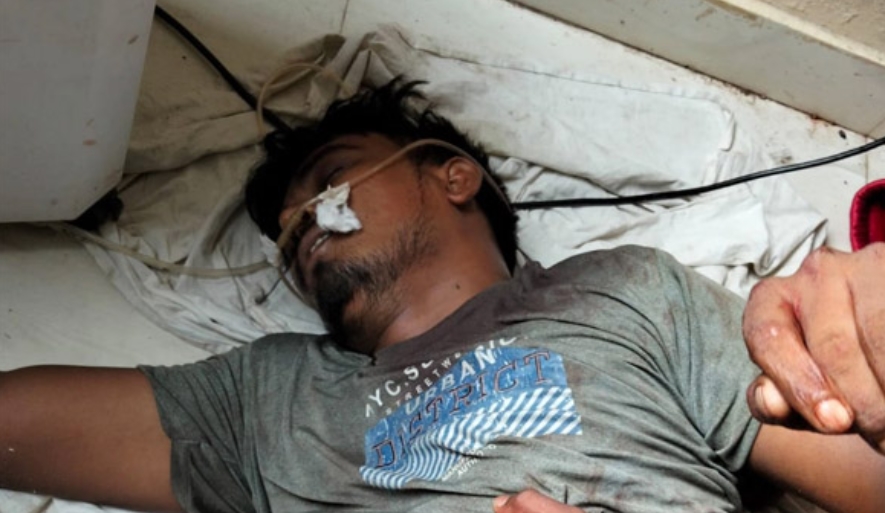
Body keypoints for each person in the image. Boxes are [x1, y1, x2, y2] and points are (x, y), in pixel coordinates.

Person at [1, 79, 883, 513]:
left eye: (330, 179)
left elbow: (861, 465)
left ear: (452, 176)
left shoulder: (622, 289)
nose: (304, 223)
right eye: (285, 227)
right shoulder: (262, 402)